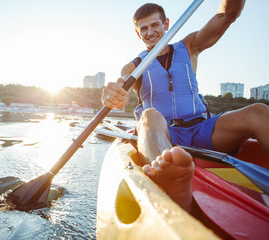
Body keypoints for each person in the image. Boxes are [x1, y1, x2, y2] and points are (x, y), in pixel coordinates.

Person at [101, 0, 269, 212]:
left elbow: (227, 15)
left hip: (202, 131)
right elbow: (123, 89)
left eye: (155, 25)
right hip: (166, 136)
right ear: (138, 34)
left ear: (167, 24)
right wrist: (115, 94)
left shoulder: (190, 46)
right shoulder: (134, 66)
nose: (150, 32)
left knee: (259, 112)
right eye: (143, 28)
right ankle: (169, 178)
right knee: (149, 116)